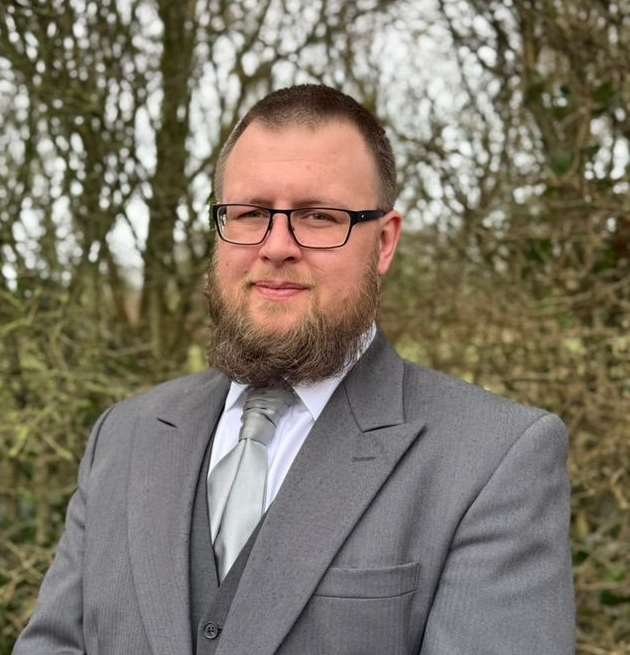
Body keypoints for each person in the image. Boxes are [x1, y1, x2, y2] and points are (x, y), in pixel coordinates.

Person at [13, 84, 575, 655]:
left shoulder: (495, 459)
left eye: (319, 216)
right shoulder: (124, 436)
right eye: (251, 213)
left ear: (384, 243)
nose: (276, 245)